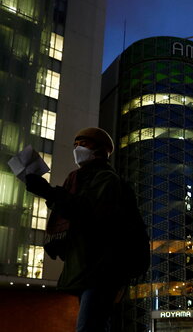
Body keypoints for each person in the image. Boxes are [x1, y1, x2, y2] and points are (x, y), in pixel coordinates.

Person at [24, 127, 129, 331]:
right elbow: (74, 207)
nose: (77, 148)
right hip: (86, 267)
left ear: (100, 149)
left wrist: (49, 192)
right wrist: (50, 194)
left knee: (89, 327)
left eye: (83, 144)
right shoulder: (78, 179)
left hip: (101, 269)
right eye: (75, 145)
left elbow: (86, 211)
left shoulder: (107, 179)